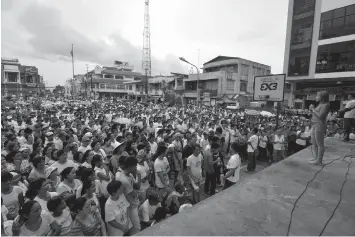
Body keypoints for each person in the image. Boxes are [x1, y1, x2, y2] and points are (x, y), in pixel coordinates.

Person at [115, 156, 141, 234]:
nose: (136, 168)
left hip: (133, 204)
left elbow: (137, 186)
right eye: (135, 166)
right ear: (130, 166)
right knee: (137, 228)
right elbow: (134, 193)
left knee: (133, 228)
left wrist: (138, 175)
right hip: (129, 207)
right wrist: (136, 193)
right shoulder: (123, 179)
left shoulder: (129, 174)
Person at [309, 91, 330, 165]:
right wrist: (312, 111)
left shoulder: (326, 105)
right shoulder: (319, 104)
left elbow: (321, 116)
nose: (316, 97)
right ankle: (316, 158)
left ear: (322, 97)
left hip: (319, 125)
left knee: (319, 143)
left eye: (317, 96)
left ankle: (319, 160)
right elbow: (316, 114)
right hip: (314, 124)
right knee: (314, 143)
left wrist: (313, 109)